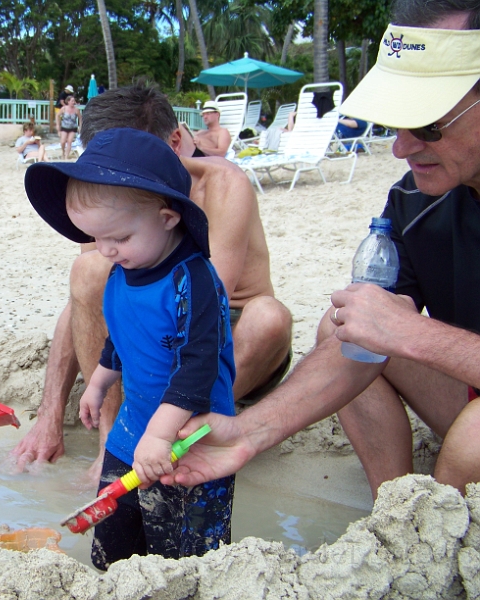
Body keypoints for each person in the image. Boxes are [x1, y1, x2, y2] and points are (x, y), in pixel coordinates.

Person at [160, 3, 480, 500]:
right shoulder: (413, 203)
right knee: (347, 326)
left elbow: (407, 333)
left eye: (427, 125)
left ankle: (432, 533)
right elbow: (368, 335)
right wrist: (247, 431)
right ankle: (394, 512)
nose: (400, 148)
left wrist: (415, 333)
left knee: (472, 440)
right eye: (395, 122)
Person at [11, 82, 292, 473]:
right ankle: (111, 439)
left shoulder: (223, 184)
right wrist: (49, 415)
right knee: (89, 271)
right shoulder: (104, 192)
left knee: (269, 317)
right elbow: (88, 300)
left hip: (222, 331)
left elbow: (206, 307)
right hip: (147, 330)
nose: (113, 175)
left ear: (174, 143)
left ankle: (182, 428)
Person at [25, 127, 236, 569]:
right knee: (114, 542)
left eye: (118, 238)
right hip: (131, 428)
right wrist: (99, 383)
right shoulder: (124, 267)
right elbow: (122, 334)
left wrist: (160, 436)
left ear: (168, 218)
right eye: (95, 238)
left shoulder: (191, 280)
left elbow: (199, 366)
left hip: (188, 438)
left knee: (185, 559)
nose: (106, 250)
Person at [56, 95, 81, 159]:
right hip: (64, 127)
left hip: (73, 127)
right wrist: (58, 125)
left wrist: (80, 127)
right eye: (72, 101)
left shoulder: (76, 110)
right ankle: (63, 152)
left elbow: (80, 118)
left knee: (69, 141)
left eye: (74, 101)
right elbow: (57, 115)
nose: (73, 102)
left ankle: (66, 156)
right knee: (63, 141)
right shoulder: (64, 108)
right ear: (68, 101)